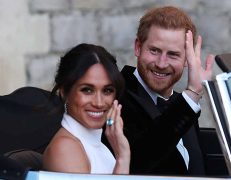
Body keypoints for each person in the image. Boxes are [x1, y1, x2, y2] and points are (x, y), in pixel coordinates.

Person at [108, 6, 214, 175]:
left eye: (173, 54)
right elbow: (141, 161)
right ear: (137, 47)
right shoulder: (115, 98)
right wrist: (192, 93)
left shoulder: (184, 104)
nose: (161, 63)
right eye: (154, 50)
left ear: (188, 59)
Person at [43, 43, 130, 174]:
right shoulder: (65, 148)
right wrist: (123, 159)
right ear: (64, 92)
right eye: (87, 90)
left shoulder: (96, 145)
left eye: (107, 90)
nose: (99, 103)